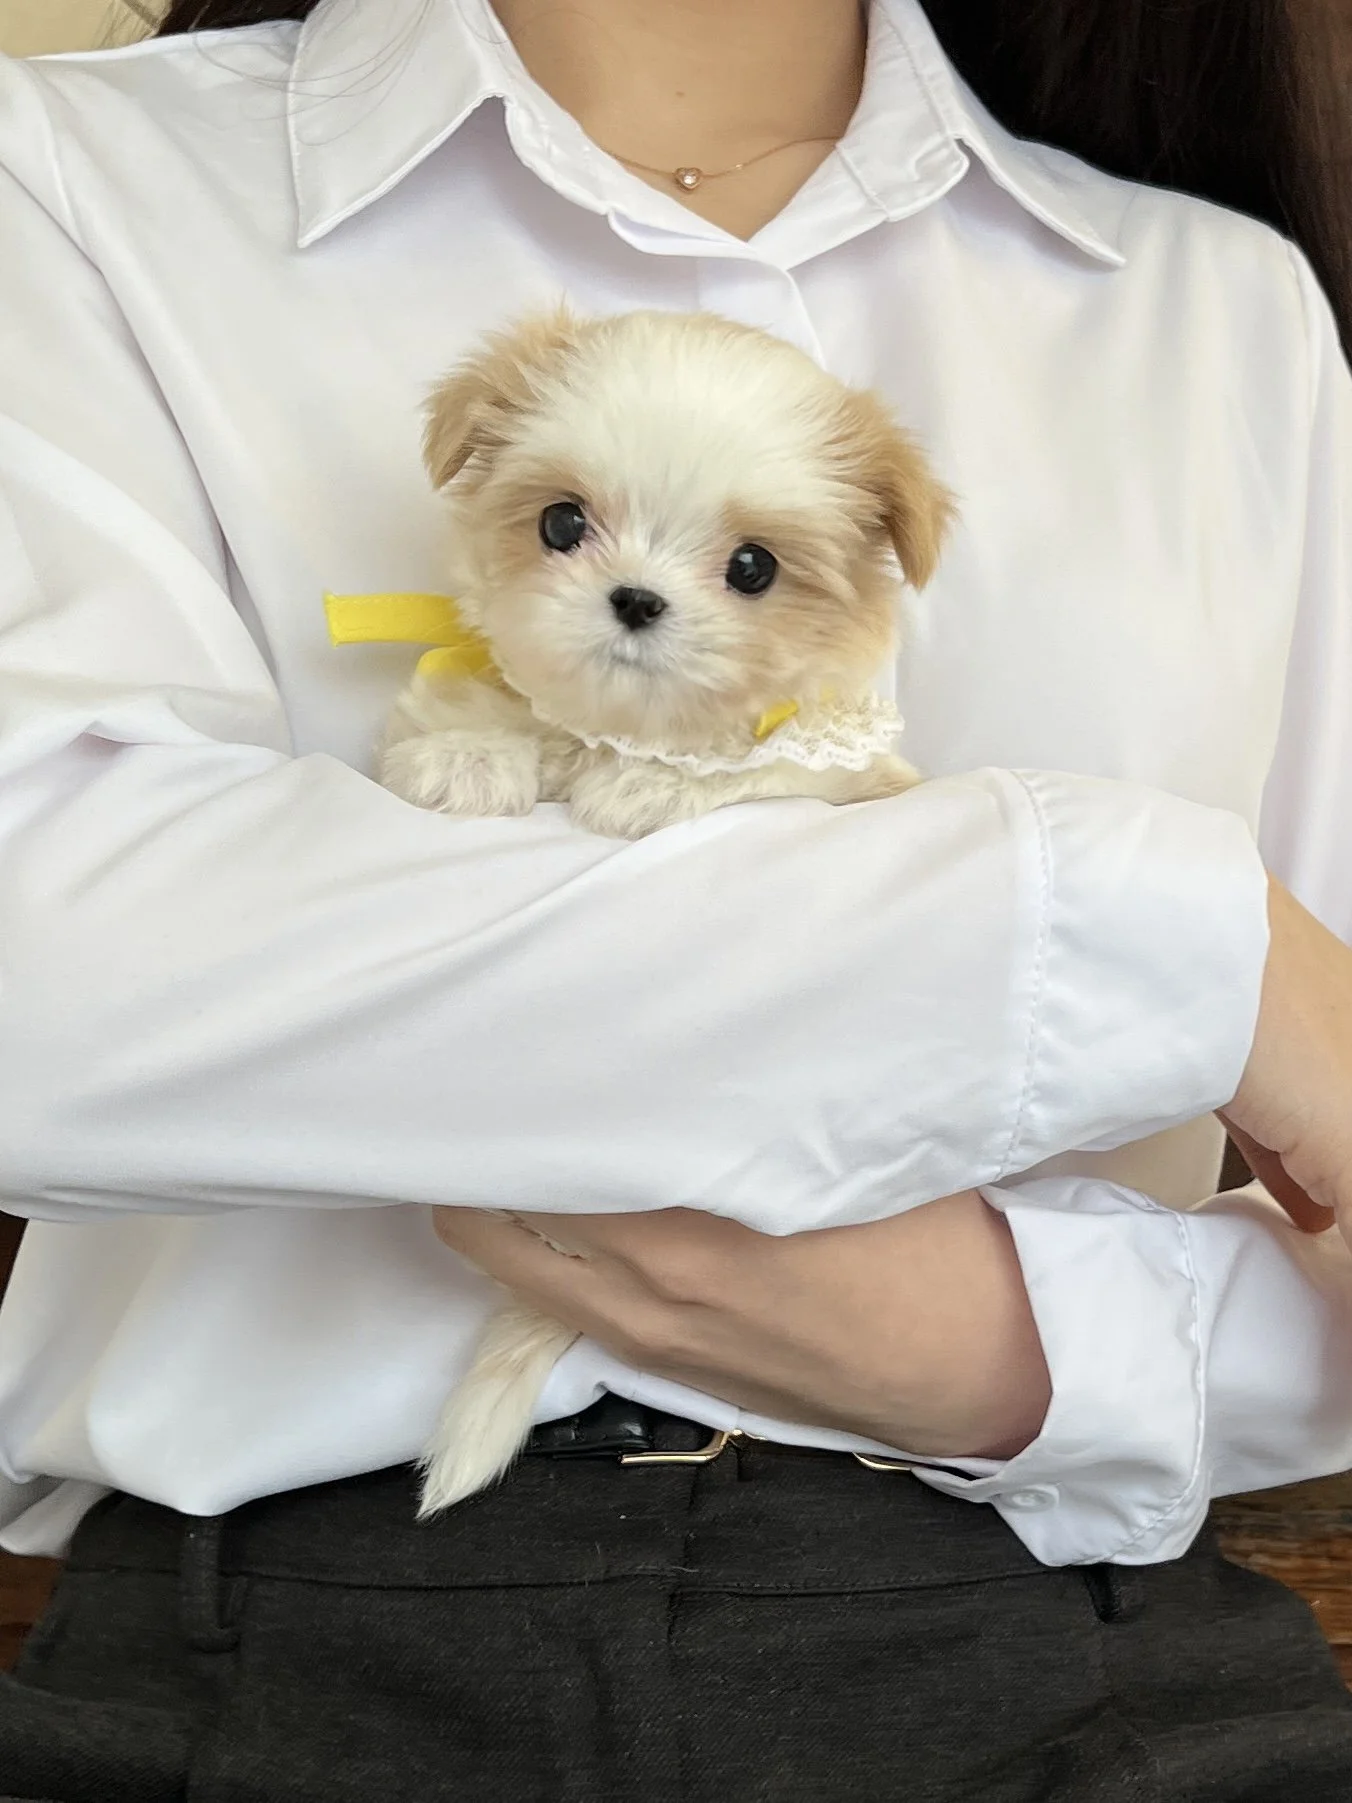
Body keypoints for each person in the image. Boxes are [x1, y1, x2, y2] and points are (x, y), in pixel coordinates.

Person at [0, 0, 1350, 1795]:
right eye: (568, 532)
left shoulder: (1222, 314)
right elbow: (50, 982)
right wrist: (1187, 941)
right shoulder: (70, 183)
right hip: (288, 1643)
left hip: (1077, 1633)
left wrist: (1036, 1350)